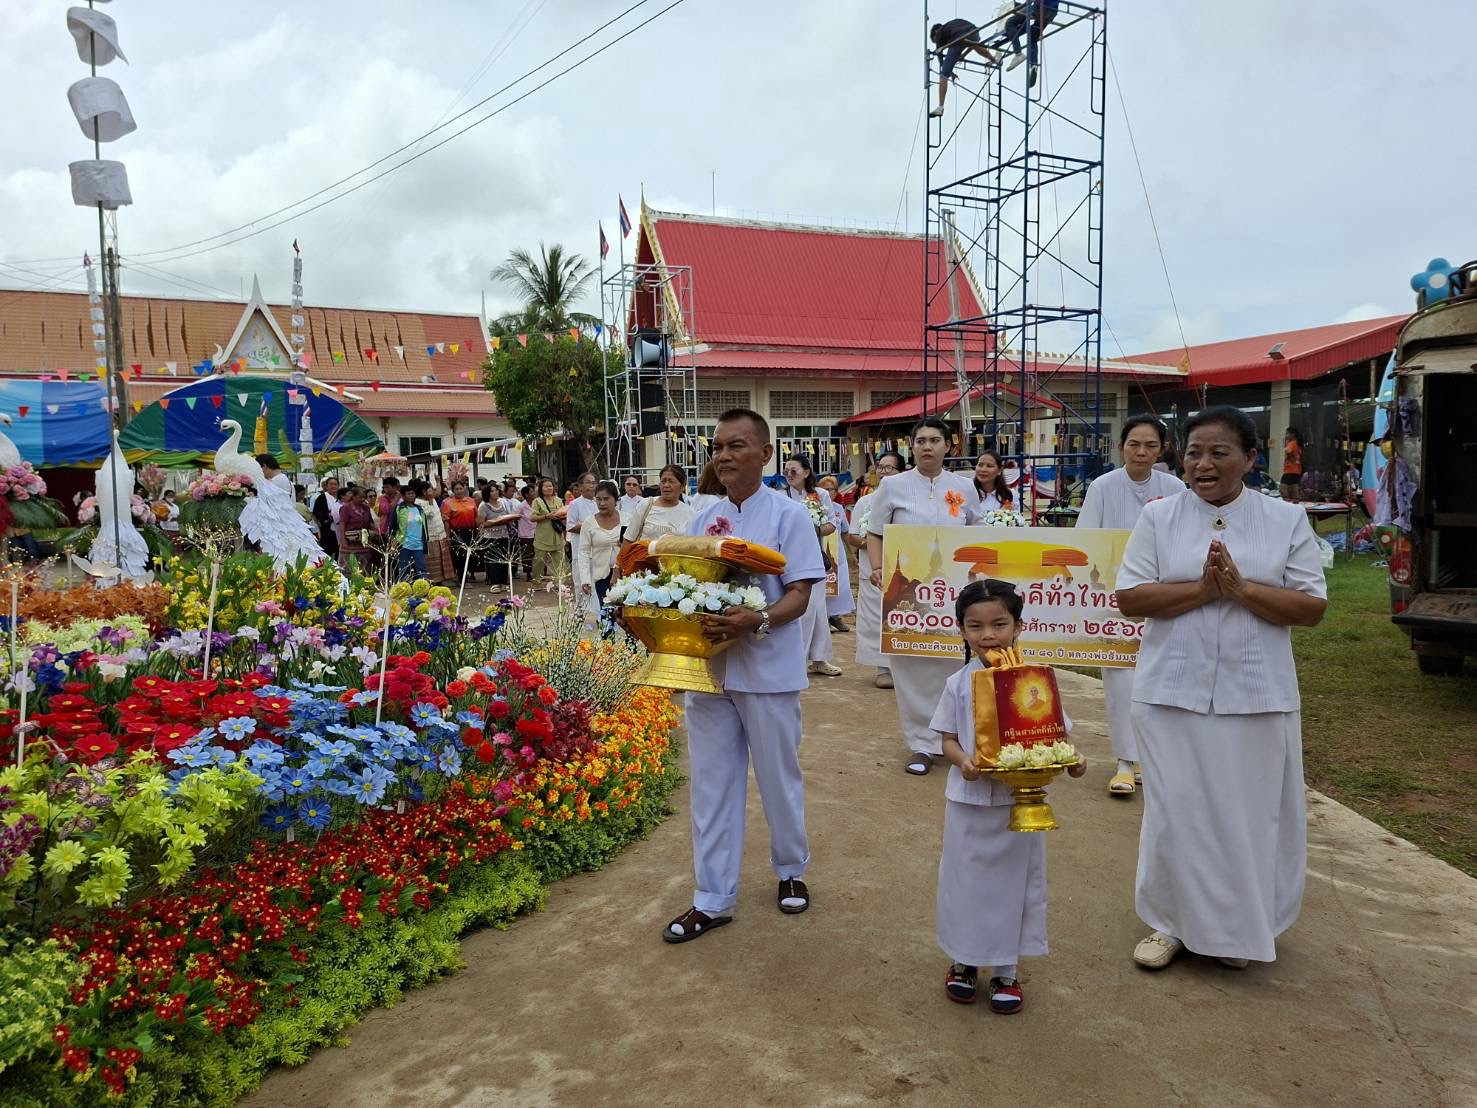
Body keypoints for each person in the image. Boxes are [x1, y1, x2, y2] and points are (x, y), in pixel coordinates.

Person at [1116, 405, 1327, 971]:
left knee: (1248, 812)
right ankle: (1170, 923)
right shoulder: (1159, 517)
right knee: (1174, 811)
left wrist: (1240, 590)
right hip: (1169, 691)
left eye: (1218, 453)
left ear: (1251, 459)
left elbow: (1310, 607)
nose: (1202, 464)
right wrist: (1205, 592)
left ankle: (1236, 929)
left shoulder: (1285, 520)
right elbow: (1132, 597)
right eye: (1192, 453)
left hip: (1256, 694)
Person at [664, 409, 826, 944]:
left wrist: (757, 619)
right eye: (718, 447)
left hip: (768, 669)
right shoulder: (701, 517)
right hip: (711, 669)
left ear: (765, 453)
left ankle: (790, 869)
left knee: (778, 779)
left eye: (737, 445)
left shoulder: (789, 515)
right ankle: (712, 898)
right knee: (711, 785)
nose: (724, 456)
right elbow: (682, 584)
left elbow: (801, 593)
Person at [932, 579, 1087, 1010]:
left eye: (1000, 624)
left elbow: (1058, 733)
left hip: (1022, 805)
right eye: (975, 625)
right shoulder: (956, 684)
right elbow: (946, 738)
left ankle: (1006, 970)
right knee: (965, 883)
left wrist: (1074, 760)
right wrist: (963, 761)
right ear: (961, 629)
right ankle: (963, 962)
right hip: (969, 804)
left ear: (1020, 626)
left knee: (1016, 886)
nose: (988, 636)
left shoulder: (1033, 682)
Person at [865, 418, 985, 776]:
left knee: (952, 664)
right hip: (906, 593)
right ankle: (921, 744)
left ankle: (953, 741)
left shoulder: (965, 488)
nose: (927, 446)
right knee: (910, 665)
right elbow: (875, 532)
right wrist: (876, 568)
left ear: (950, 446)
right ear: (911, 447)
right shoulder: (892, 485)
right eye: (920, 441)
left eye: (935, 440)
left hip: (954, 590)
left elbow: (976, 534)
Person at [1076, 415, 1187, 797]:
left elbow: (1185, 538)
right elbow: (1086, 540)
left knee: (1159, 676)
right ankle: (1125, 760)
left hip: (1162, 594)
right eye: (1134, 444)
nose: (1141, 453)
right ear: (1120, 446)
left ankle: (1154, 759)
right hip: (1115, 597)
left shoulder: (1174, 487)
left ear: (1162, 449)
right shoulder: (1104, 487)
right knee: (1121, 678)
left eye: (1150, 446)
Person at [783, 455, 842, 678]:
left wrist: (812, 528)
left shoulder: (821, 495)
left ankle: (819, 659)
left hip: (814, 557)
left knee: (817, 608)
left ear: (806, 472)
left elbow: (831, 524)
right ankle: (795, 660)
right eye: (786, 470)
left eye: (794, 470)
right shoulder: (782, 496)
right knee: (799, 611)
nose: (789, 475)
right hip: (788, 558)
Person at [848, 451, 903, 688]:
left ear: (902, 471)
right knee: (875, 619)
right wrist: (872, 542)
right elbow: (852, 536)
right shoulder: (866, 501)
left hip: (904, 567)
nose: (883, 472)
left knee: (904, 615)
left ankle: (905, 668)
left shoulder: (907, 500)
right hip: (874, 569)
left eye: (889, 468)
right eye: (880, 467)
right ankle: (883, 668)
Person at [238, 454, 328, 569]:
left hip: (281, 524)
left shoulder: (277, 481)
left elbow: (266, 503)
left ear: (264, 467)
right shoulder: (283, 479)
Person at [929, 18, 999, 117]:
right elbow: (971, 44)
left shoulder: (939, 32)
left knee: (943, 76)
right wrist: (963, 55)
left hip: (958, 39)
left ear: (935, 33)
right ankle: (994, 60)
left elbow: (940, 58)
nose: (938, 42)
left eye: (935, 40)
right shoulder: (955, 23)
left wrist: (948, 72)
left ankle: (940, 107)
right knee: (975, 45)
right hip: (974, 33)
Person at [578, 480, 624, 611]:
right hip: (602, 576)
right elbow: (583, 552)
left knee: (627, 615)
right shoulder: (589, 523)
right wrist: (585, 579)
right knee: (607, 613)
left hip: (625, 574)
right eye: (598, 499)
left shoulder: (628, 519)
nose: (602, 503)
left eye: (606, 499)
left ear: (615, 500)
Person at [817, 475, 854, 633]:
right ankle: (824, 618)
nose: (828, 492)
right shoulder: (814, 507)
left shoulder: (839, 508)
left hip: (837, 553)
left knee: (840, 586)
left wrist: (852, 554)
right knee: (823, 587)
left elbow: (846, 532)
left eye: (831, 489)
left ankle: (836, 617)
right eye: (825, 489)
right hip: (820, 552)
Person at [625, 464, 694, 543]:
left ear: (682, 486)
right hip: (645, 555)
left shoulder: (690, 513)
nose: (666, 485)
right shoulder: (645, 504)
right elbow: (628, 539)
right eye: (663, 481)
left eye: (671, 481)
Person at [414, 480, 456, 585]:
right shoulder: (418, 503)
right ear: (424, 492)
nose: (433, 492)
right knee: (432, 559)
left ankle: (440, 581)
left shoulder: (431, 500)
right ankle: (432, 582)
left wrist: (437, 481)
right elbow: (430, 515)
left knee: (441, 559)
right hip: (430, 537)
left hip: (439, 535)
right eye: (430, 490)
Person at [441, 481, 480, 583]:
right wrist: (448, 536)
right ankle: (463, 579)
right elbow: (446, 521)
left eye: (460, 488)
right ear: (453, 491)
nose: (459, 491)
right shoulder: (447, 503)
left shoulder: (471, 501)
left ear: (464, 489)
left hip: (471, 532)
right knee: (460, 556)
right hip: (456, 533)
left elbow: (476, 517)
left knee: (471, 556)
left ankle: (467, 575)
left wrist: (479, 530)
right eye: (456, 489)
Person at [530, 478, 567, 584]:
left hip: (557, 535)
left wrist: (560, 515)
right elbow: (532, 518)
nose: (549, 488)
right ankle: (536, 581)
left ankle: (559, 583)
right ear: (541, 489)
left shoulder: (559, 500)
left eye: (550, 486)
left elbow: (564, 513)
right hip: (543, 536)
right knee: (539, 561)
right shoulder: (537, 501)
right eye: (546, 486)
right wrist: (546, 516)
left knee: (560, 561)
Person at [392, 485, 428, 581]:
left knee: (422, 568)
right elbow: (393, 527)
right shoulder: (399, 509)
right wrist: (393, 542)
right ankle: (405, 589)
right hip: (404, 544)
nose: (411, 496)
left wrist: (425, 540)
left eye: (413, 493)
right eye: (408, 494)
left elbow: (424, 526)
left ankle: (424, 587)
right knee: (404, 569)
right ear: (403, 496)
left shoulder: (419, 509)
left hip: (418, 544)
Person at [338, 487, 376, 575]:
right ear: (354, 496)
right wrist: (343, 540)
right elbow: (342, 524)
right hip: (349, 542)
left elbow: (370, 522)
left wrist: (377, 531)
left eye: (364, 497)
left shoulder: (366, 508)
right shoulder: (346, 508)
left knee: (364, 569)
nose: (363, 499)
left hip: (364, 542)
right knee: (348, 569)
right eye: (360, 497)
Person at [311, 477, 340, 560]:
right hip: (328, 530)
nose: (333, 486)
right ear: (326, 486)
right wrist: (328, 515)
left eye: (335, 484)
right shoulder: (322, 498)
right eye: (331, 484)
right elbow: (316, 513)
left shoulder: (340, 498)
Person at [515, 485, 537, 580]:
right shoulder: (521, 506)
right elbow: (516, 517)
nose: (534, 493)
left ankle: (538, 572)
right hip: (525, 533)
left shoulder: (537, 503)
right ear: (527, 494)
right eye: (532, 491)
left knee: (538, 553)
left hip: (537, 531)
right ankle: (528, 573)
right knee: (527, 554)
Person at [1281, 428, 1304, 503]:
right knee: (1294, 490)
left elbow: (1288, 451)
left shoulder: (1292, 443)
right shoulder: (1297, 444)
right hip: (1296, 470)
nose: (1286, 435)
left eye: (1287, 433)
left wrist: (1286, 446)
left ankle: (1287, 505)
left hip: (1289, 470)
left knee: (1283, 489)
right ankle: (1296, 505)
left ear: (1292, 434)